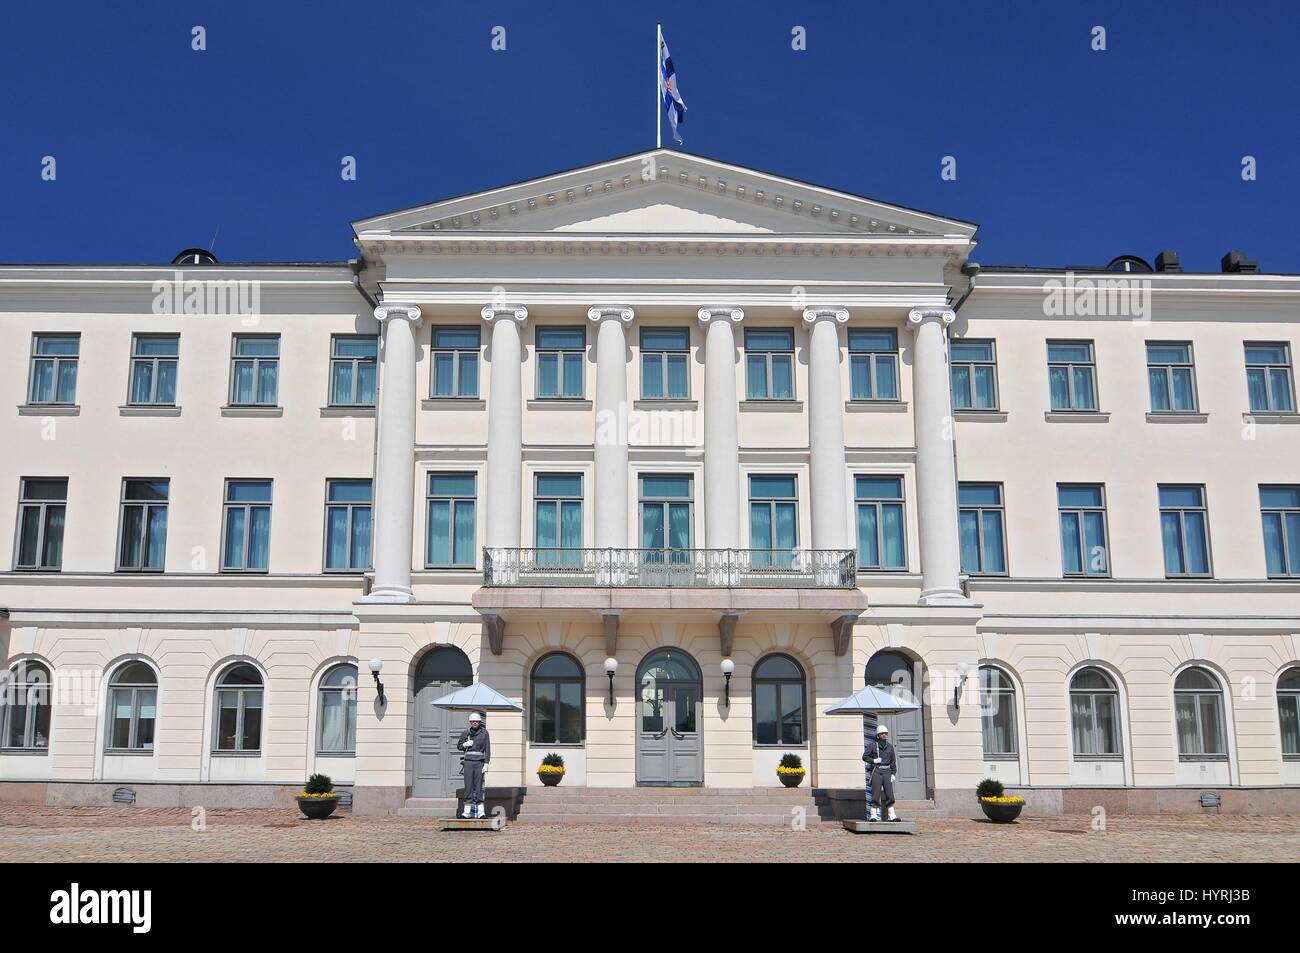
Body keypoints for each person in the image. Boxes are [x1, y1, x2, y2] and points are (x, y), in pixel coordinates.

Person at [862, 724, 900, 822]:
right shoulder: (873, 745)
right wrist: (874, 761)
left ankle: (892, 815)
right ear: (878, 735)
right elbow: (865, 757)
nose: (884, 735)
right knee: (876, 793)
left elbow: (893, 761)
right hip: (877, 770)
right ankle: (873, 815)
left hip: (887, 771)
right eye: (882, 733)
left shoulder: (890, 747)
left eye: (886, 733)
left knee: (889, 793)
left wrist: (893, 773)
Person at [457, 712, 491, 818]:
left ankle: (481, 811)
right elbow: (459, 746)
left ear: (479, 722)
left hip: (479, 762)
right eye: (473, 721)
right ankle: (467, 811)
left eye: (476, 721)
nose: (475, 723)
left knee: (479, 785)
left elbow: (487, 749)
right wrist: (464, 745)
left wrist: (486, 763)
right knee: (468, 785)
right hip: (468, 762)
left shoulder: (484, 733)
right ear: (470, 722)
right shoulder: (466, 733)